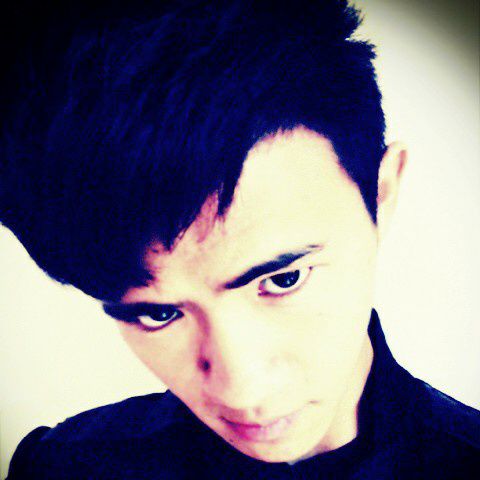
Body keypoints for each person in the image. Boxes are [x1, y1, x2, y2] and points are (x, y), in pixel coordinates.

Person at [2, 0, 479, 478]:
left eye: (284, 279)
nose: (242, 391)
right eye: (157, 313)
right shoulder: (62, 468)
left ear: (381, 195)